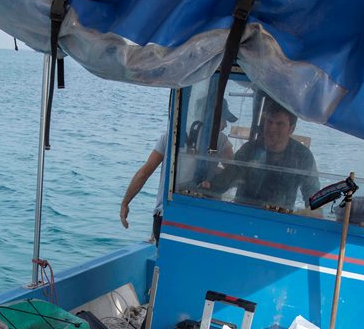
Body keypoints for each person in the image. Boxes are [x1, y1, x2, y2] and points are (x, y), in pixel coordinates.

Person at [119, 102, 236, 230]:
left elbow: (144, 173)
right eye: (223, 120)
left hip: (165, 215)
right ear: (213, 117)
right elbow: (233, 171)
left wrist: (125, 203)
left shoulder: (170, 137)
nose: (225, 126)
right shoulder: (221, 140)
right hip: (200, 216)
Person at [197, 98, 320, 212]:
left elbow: (312, 192)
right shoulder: (249, 150)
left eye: (279, 124)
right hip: (243, 213)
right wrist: (210, 187)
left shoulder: (303, 156)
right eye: (269, 121)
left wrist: (315, 211)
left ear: (291, 129)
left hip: (280, 219)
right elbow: (229, 176)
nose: (272, 128)